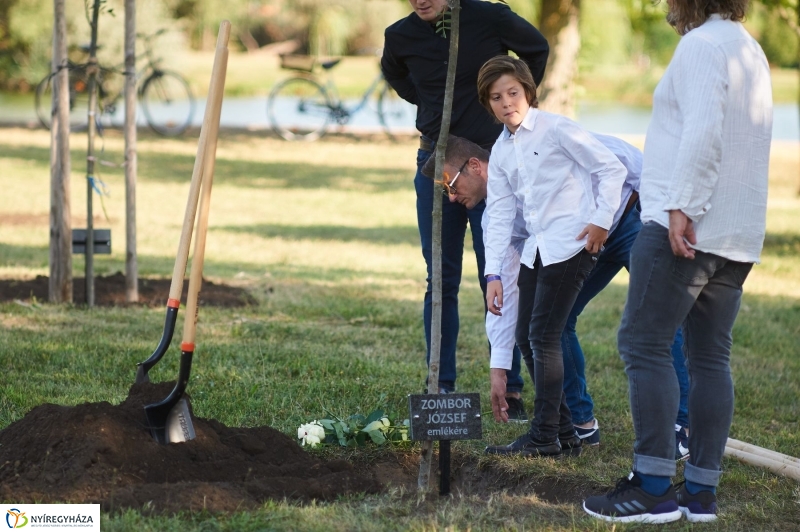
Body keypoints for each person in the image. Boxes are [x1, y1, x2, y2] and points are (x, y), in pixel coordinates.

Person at [582, 0, 772, 523]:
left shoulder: (701, 46)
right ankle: (701, 495)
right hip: (736, 234)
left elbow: (704, 131)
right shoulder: (748, 48)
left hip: (686, 226)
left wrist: (682, 207)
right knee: (710, 358)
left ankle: (652, 489)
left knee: (643, 343)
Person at [422, 131, 692, 458]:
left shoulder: (536, 154)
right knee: (553, 325)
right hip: (583, 247)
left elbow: (624, 159)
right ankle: (579, 424)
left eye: (451, 185)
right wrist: (500, 367)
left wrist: (657, 218)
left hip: (628, 222)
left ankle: (683, 427)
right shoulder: (495, 216)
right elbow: (505, 291)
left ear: (475, 166)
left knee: (661, 318)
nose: (451, 197)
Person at [381, 0, 549, 410]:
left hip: (490, 163)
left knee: (499, 271)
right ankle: (440, 385)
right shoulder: (399, 36)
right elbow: (398, 78)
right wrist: (433, 102)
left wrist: (510, 106)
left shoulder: (488, 16)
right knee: (439, 276)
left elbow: (537, 48)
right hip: (436, 162)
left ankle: (509, 382)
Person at [477, 55, 628, 457]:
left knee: (544, 335)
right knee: (529, 337)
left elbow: (610, 169)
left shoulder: (557, 128)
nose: (506, 102)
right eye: (496, 97)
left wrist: (601, 221)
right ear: (488, 104)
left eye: (512, 92)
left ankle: (544, 437)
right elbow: (500, 217)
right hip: (536, 249)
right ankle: (564, 432)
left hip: (572, 242)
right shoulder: (502, 150)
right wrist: (492, 274)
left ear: (527, 90)